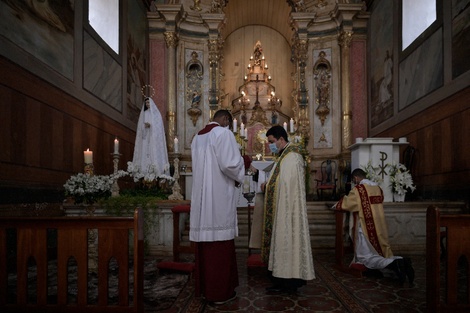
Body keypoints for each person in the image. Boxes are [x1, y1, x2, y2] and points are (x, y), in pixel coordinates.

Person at [190, 109, 247, 304]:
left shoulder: (197, 137)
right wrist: (244, 163)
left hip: (202, 202)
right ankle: (220, 293)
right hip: (218, 200)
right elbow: (230, 165)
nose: (228, 126)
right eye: (228, 123)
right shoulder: (224, 133)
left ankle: (206, 290)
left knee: (206, 247)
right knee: (220, 246)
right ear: (225, 119)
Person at [333, 168, 415, 286]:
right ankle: (401, 261)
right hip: (379, 227)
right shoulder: (378, 189)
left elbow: (348, 203)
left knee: (365, 258)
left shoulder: (359, 190)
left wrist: (336, 205)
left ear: (355, 178)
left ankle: (396, 262)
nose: (354, 183)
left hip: (366, 228)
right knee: (380, 252)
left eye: (353, 180)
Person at [261, 125, 315, 293]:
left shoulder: (291, 157)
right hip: (283, 208)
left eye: (271, 142)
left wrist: (268, 186)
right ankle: (281, 280)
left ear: (281, 139)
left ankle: (287, 282)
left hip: (288, 211)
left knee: (287, 241)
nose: (269, 145)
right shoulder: (285, 155)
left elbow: (283, 184)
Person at [132, 97, 169, 178]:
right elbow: (140, 127)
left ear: (151, 103)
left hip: (153, 138)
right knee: (145, 153)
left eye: (148, 102)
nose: (147, 104)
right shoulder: (144, 113)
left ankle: (156, 174)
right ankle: (143, 175)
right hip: (145, 138)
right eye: (146, 103)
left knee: (153, 153)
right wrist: (144, 126)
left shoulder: (156, 114)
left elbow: (159, 127)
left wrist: (151, 126)